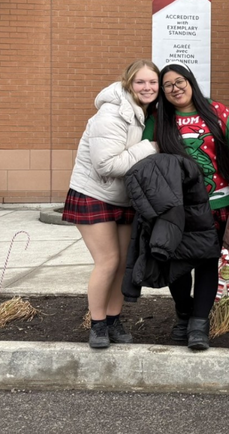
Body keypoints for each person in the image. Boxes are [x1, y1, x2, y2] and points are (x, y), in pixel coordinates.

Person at [143, 62, 229, 350]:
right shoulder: (157, 120)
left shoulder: (219, 113)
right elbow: (146, 161)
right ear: (163, 92)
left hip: (218, 204)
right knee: (175, 264)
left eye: (180, 81)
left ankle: (198, 325)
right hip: (176, 208)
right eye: (168, 85)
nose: (176, 88)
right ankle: (183, 313)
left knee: (206, 263)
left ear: (191, 81)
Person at [63, 59, 159, 349]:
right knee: (107, 261)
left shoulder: (143, 112)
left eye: (152, 82)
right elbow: (105, 165)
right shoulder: (112, 114)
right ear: (129, 83)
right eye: (141, 82)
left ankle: (114, 319)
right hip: (95, 193)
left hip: (124, 196)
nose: (147, 87)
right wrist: (150, 147)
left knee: (122, 265)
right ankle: (97, 324)